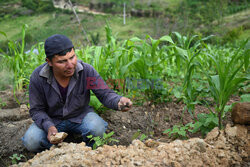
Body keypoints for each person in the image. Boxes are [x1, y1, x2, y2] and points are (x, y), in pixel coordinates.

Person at [22, 34, 132, 152]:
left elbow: (104, 93)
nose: (70, 65)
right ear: (49, 62)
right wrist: (49, 126)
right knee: (32, 141)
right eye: (62, 61)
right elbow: (37, 110)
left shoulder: (86, 71)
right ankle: (55, 154)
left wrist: (118, 101)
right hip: (52, 119)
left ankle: (88, 152)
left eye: (72, 57)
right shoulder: (38, 77)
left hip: (80, 116)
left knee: (97, 128)